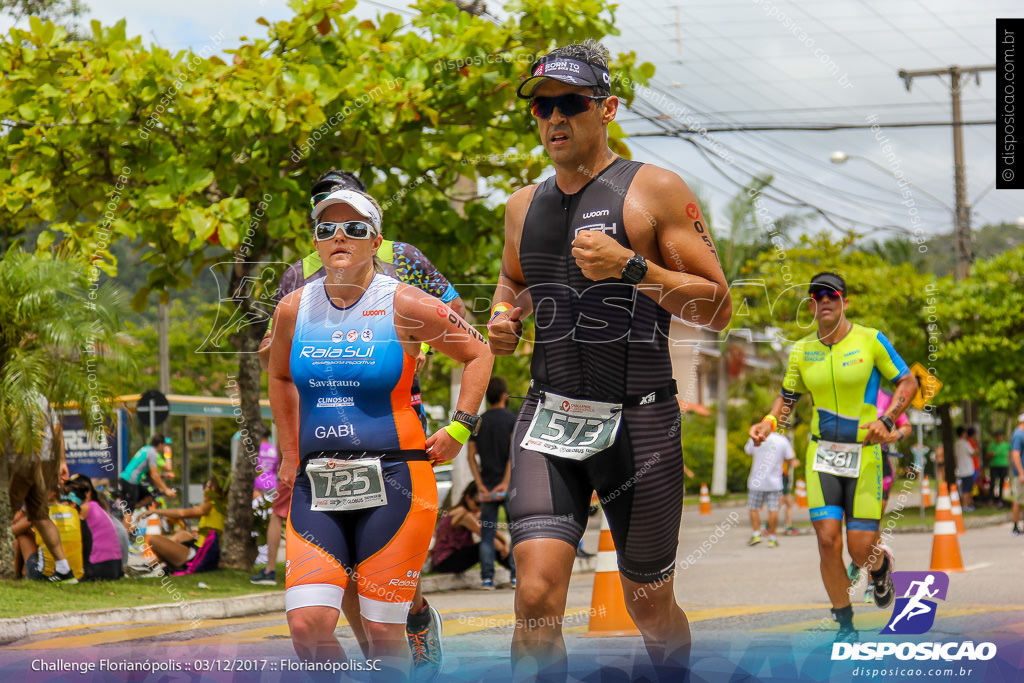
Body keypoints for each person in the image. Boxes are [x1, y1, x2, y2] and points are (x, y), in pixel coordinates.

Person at [488, 40, 731, 677]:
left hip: (640, 424)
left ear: (608, 108)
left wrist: (633, 268)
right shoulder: (521, 206)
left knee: (648, 603)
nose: (554, 118)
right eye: (541, 108)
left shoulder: (654, 189)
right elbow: (515, 280)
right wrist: (505, 318)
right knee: (535, 598)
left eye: (570, 102)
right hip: (550, 418)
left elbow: (718, 307)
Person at [267, 187, 492, 678]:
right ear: (316, 244)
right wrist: (288, 452)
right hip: (317, 482)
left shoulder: (406, 304)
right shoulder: (293, 309)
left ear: (376, 242)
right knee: (307, 626)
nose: (339, 236)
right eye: (327, 229)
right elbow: (280, 376)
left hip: (396, 478)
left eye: (355, 228)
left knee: (382, 634)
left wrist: (460, 426)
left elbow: (480, 352)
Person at [748, 271, 917, 643]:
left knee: (859, 550)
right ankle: (844, 623)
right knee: (827, 541)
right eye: (817, 296)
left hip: (866, 456)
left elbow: (908, 382)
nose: (824, 301)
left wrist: (886, 420)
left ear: (844, 301)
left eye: (832, 295)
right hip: (821, 455)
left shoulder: (871, 340)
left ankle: (880, 565)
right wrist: (768, 421)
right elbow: (787, 399)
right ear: (811, 304)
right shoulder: (801, 349)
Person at [7, 394, 78, 583]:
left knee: (5, 512)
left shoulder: (9, 394)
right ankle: (64, 569)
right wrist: (61, 461)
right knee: (39, 515)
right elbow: (57, 429)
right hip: (44, 462)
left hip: (21, 461)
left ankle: (5, 570)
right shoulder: (38, 396)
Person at [466, 376, 517, 589]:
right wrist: (505, 483)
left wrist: (479, 484)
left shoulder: (479, 422)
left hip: (486, 487)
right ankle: (516, 576)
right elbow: (513, 453)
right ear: (504, 396)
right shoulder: (513, 419)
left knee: (486, 533)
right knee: (516, 530)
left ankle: (487, 579)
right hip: (509, 485)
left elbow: (470, 456)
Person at [431, 482, 514, 576]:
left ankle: (515, 569)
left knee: (489, 544)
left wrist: (505, 543)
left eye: (483, 505)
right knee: (486, 545)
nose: (480, 508)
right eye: (477, 503)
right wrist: (504, 549)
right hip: (444, 561)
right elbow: (486, 535)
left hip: (448, 559)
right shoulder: (464, 515)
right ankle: (515, 570)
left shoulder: (469, 511)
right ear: (467, 498)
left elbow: (491, 530)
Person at [148, 476, 225, 574]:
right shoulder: (220, 507)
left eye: (207, 487)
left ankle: (156, 566)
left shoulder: (211, 505)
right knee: (182, 535)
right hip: (201, 547)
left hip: (200, 555)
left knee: (153, 540)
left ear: (214, 490)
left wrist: (156, 511)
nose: (204, 490)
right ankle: (152, 565)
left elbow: (183, 513)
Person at [64, 474, 124, 580]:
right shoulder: (96, 506)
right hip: (114, 566)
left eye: (75, 490)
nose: (71, 494)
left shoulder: (85, 508)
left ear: (88, 493)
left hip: (99, 566)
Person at [743, 431, 794, 548]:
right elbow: (790, 458)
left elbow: (748, 451)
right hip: (775, 482)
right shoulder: (782, 440)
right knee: (773, 509)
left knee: (753, 508)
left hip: (756, 481)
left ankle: (756, 534)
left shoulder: (755, 438)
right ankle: (772, 537)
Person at [119, 434, 175, 513]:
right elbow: (155, 474)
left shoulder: (146, 449)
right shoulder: (153, 453)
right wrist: (166, 490)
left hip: (133, 480)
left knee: (149, 497)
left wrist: (164, 476)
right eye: (165, 445)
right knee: (129, 511)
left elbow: (150, 473)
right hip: (130, 480)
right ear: (160, 444)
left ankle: (127, 507)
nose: (165, 447)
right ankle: (125, 509)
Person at [953, 426, 977, 512]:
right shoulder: (965, 443)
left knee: (964, 489)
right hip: (967, 470)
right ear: (963, 433)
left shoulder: (956, 444)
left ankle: (967, 505)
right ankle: (965, 506)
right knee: (967, 490)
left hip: (960, 469)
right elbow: (973, 453)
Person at [987, 430, 1010, 508]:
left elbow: (1011, 454)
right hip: (994, 466)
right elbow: (987, 457)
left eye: (1000, 435)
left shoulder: (1006, 445)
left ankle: (1000, 500)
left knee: (1001, 483)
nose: (999, 437)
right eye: (997, 435)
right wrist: (991, 454)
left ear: (1003, 436)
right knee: (992, 482)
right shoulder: (992, 446)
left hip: (1003, 466)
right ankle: (991, 499)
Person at [1010, 413, 1024, 536]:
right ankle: (1015, 526)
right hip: (1021, 474)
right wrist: (1021, 473)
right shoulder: (1018, 435)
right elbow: (1015, 455)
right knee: (1018, 500)